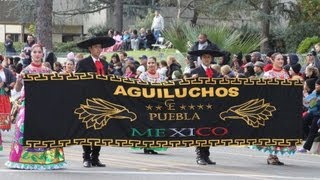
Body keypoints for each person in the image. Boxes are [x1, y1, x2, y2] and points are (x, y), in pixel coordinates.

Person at [5, 44, 66, 169]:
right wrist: (18, 80)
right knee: (22, 125)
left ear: (42, 54)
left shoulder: (48, 71)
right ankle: (23, 158)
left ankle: (48, 159)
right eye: (35, 52)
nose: (37, 54)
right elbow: (17, 89)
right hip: (28, 105)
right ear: (31, 54)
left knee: (48, 129)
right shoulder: (25, 70)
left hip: (44, 106)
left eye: (39, 52)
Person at [250, 53, 296, 165]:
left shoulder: (285, 74)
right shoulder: (268, 74)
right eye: (279, 59)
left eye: (282, 59)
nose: (281, 61)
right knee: (272, 131)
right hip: (272, 107)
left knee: (280, 132)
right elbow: (264, 91)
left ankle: (275, 155)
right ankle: (271, 155)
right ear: (272, 60)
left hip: (283, 108)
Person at [76, 36, 115, 168]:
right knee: (87, 128)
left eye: (100, 47)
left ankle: (95, 157)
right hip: (87, 100)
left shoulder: (104, 64)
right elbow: (78, 82)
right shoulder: (83, 63)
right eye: (96, 47)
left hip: (102, 100)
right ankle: (86, 156)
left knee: (100, 129)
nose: (99, 50)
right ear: (90, 49)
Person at [188, 48, 225, 165]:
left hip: (212, 106)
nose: (207, 59)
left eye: (209, 57)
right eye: (204, 57)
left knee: (209, 131)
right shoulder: (194, 71)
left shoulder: (216, 73)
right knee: (200, 131)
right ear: (201, 59)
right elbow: (185, 88)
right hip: (199, 106)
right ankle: (199, 155)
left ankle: (206, 155)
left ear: (211, 59)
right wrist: (191, 81)